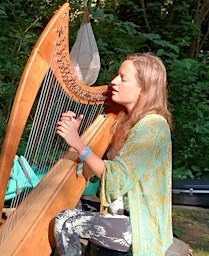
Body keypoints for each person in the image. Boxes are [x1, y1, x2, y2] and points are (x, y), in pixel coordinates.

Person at [54, 53, 172, 255]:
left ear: (143, 88)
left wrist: (79, 144)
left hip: (140, 225)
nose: (113, 81)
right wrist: (75, 136)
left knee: (67, 223)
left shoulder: (153, 126)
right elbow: (96, 168)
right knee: (66, 204)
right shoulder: (124, 121)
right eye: (117, 75)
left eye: (123, 78)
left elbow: (117, 177)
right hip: (118, 211)